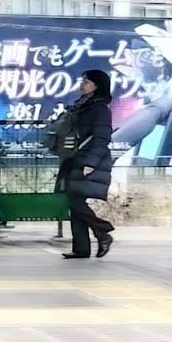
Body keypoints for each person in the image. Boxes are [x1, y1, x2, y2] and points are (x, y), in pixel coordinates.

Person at [57, 69, 116, 259]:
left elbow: (101, 138)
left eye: (87, 81)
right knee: (75, 202)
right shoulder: (82, 106)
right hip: (74, 158)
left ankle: (103, 231)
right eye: (82, 81)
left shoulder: (100, 109)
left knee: (76, 201)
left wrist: (91, 162)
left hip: (88, 161)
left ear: (97, 86)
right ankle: (81, 248)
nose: (82, 84)